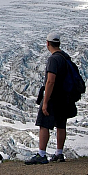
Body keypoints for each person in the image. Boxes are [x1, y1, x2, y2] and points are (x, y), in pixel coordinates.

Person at [25, 32, 75, 164]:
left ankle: (41, 154)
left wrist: (45, 101)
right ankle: (59, 153)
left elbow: (50, 81)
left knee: (44, 124)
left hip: (53, 97)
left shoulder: (53, 59)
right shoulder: (65, 57)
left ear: (47, 43)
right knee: (61, 125)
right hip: (65, 97)